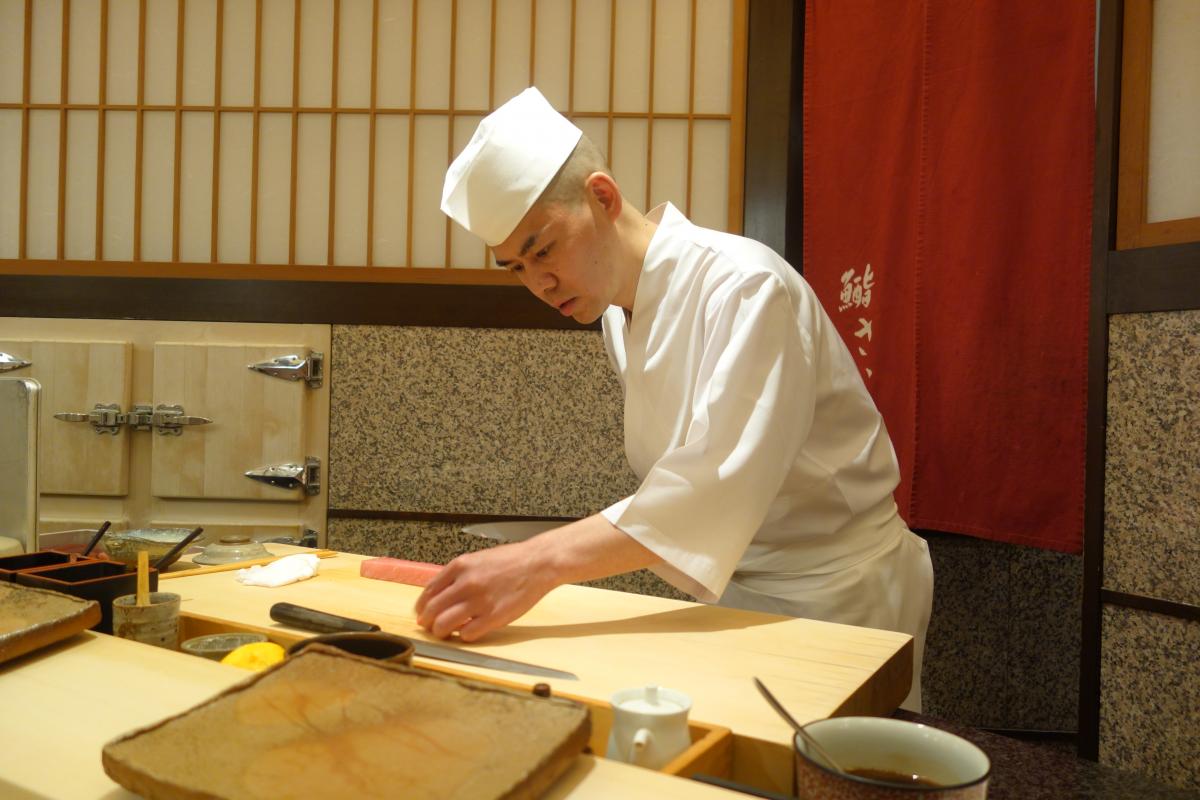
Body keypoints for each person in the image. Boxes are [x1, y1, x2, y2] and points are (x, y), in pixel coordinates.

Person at [419, 87, 934, 710]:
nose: (539, 282)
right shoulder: (618, 313)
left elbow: (708, 486)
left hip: (838, 592)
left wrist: (534, 563)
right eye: (516, 269)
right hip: (734, 591)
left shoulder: (746, 287)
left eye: (543, 249)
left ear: (602, 197)